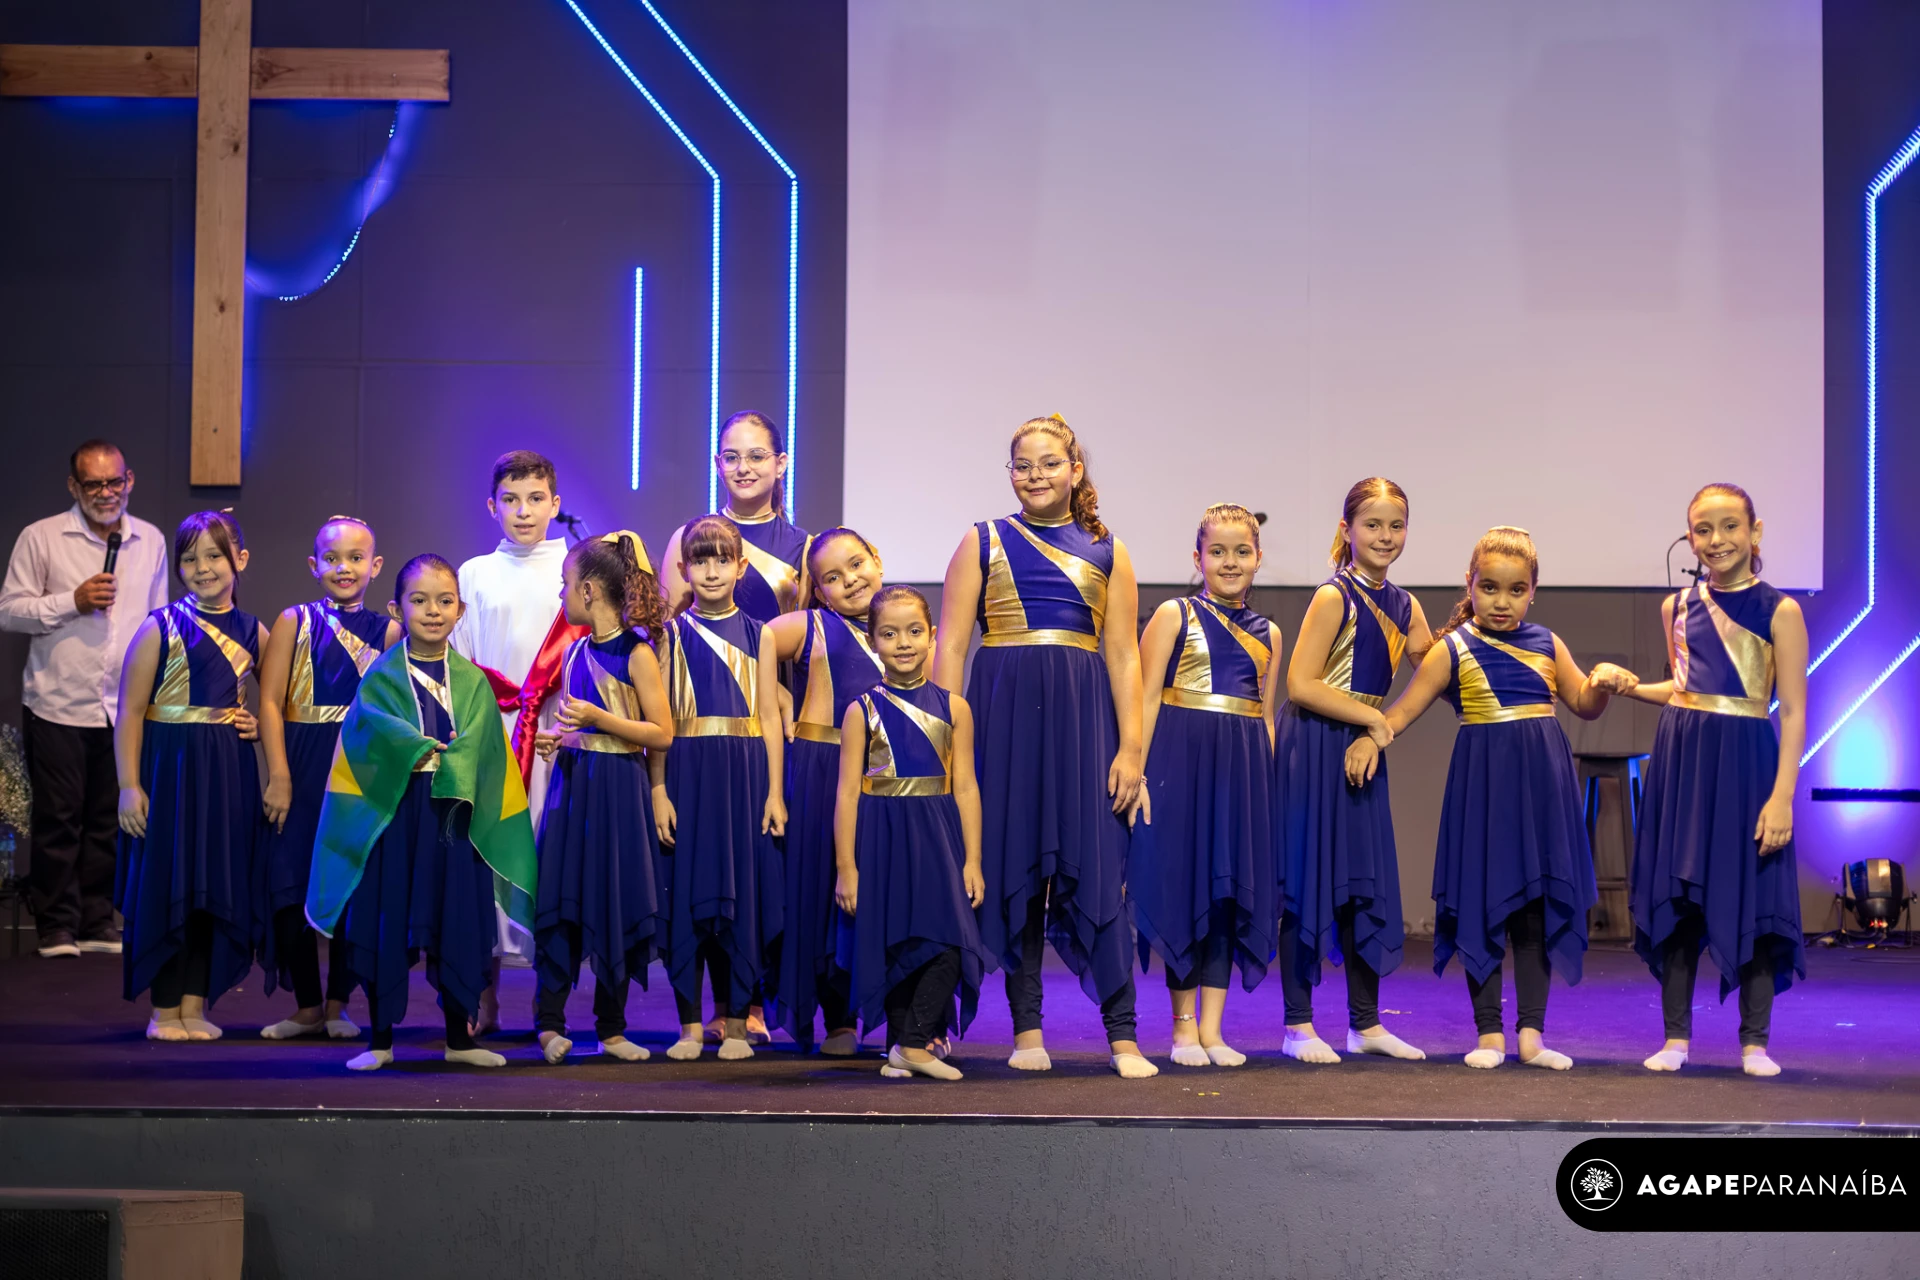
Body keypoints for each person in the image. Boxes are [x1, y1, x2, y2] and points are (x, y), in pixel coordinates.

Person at [1352, 527, 1634, 1070]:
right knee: (1483, 902)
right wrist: (1370, 737)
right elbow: (1402, 712)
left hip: (1542, 791)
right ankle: (1488, 1034)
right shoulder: (1452, 648)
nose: (1502, 601)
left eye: (1516, 590)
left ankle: (1531, 1035)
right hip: (1484, 792)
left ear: (1533, 592)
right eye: (1489, 588)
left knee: (1534, 908)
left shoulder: (1548, 643)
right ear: (1470, 584)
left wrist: (1601, 683)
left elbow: (1584, 703)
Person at [932, 414, 1156, 1079]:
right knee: (1015, 873)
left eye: (1049, 463)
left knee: (1099, 871)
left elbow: (1124, 657)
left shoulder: (1110, 550)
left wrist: (1132, 751)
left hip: (1085, 726)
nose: (1035, 476)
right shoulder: (981, 541)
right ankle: (1026, 1029)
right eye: (1023, 466)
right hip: (1002, 721)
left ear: (1075, 470)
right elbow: (950, 646)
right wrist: (940, 740)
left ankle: (1122, 1036)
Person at [305, 555, 539, 1071]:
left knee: (458, 917)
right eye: (419, 600)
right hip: (397, 814)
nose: (433, 611)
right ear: (397, 609)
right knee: (388, 917)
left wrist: (456, 754)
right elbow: (369, 730)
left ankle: (460, 1039)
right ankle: (380, 1041)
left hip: (455, 817)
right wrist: (415, 746)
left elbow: (485, 742)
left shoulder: (472, 680)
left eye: (445, 601)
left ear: (460, 611)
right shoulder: (381, 676)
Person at [1621, 484, 1808, 1078]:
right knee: (1679, 896)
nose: (1717, 539)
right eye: (1703, 529)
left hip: (1747, 764)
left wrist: (1782, 798)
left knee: (1751, 893)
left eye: (1730, 526)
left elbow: (1794, 710)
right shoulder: (1675, 607)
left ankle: (1755, 1042)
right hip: (1683, 764)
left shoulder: (1781, 610)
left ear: (1755, 532)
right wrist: (1630, 686)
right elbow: (1686, 688)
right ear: (1690, 537)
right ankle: (1676, 1038)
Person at [659, 411, 808, 1044]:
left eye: (756, 455)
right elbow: (666, 633)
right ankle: (710, 1010)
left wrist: (782, 697)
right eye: (731, 456)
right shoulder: (688, 537)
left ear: (781, 462)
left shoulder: (804, 547)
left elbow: (808, 640)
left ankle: (753, 1003)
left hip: (768, 732)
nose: (743, 467)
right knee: (704, 869)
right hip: (696, 733)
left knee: (759, 866)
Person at [1274, 477, 1433, 1065]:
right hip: (1316, 742)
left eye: (1396, 525)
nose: (1385, 536)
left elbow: (1437, 670)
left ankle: (1365, 1024)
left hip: (1362, 745)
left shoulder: (1407, 606)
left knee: (1363, 882)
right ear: (1347, 530)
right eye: (1373, 524)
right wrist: (1375, 721)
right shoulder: (1332, 596)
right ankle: (1297, 1026)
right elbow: (1300, 684)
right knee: (1308, 877)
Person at [1, 440, 169, 959]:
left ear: (130, 481)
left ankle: (98, 920)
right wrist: (70, 601)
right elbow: (9, 611)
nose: (105, 492)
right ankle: (56, 925)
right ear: (74, 486)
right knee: (58, 819)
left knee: (109, 819)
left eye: (114, 481)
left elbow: (158, 619)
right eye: (93, 483)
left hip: (124, 708)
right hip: (58, 702)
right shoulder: (42, 537)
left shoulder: (151, 540)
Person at [1128, 504, 1281, 1068]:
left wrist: (1264, 789)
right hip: (1182, 767)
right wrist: (1138, 771)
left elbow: (1265, 715)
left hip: (1241, 778)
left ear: (1259, 558)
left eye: (1242, 552)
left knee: (1226, 897)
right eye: (1217, 551)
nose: (1230, 562)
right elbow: (1145, 698)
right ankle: (1184, 1030)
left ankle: (1214, 1031)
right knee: (1185, 890)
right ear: (1198, 558)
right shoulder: (1176, 614)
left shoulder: (1270, 634)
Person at [112, 511, 261, 1041]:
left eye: (215, 555)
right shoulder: (159, 627)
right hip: (170, 776)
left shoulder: (255, 631)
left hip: (227, 778)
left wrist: (256, 723)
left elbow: (277, 704)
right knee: (169, 881)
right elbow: (130, 712)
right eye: (190, 558)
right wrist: (129, 785)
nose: (203, 567)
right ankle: (164, 1010)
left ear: (240, 560)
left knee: (212, 884)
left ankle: (196, 1006)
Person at [834, 587, 990, 1081]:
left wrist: (972, 860)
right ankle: (904, 1046)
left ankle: (914, 1042)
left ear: (932, 636)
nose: (903, 642)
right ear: (872, 641)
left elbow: (966, 788)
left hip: (938, 839)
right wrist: (846, 868)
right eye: (889, 633)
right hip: (882, 840)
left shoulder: (954, 708)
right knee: (894, 942)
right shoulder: (860, 711)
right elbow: (847, 795)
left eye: (914, 631)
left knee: (952, 940)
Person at [450, 450, 584, 1026]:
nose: (524, 511)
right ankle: (483, 997)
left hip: (556, 733)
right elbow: (460, 658)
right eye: (511, 500)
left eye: (535, 499)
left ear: (555, 504)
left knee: (550, 860)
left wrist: (573, 723)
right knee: (486, 857)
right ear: (492, 506)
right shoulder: (474, 573)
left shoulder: (576, 567)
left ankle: (547, 1005)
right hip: (494, 732)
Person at [529, 532, 673, 1065]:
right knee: (562, 897)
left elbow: (661, 732)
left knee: (613, 898)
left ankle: (610, 1028)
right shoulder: (574, 651)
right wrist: (560, 737)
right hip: (574, 787)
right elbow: (580, 724)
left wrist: (599, 719)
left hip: (618, 791)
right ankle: (549, 1024)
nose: (561, 594)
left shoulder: (637, 653)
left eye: (565, 584)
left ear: (588, 590)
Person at [256, 517, 399, 1040]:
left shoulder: (390, 632)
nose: (344, 568)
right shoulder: (294, 622)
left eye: (356, 558)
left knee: (352, 885)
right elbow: (269, 702)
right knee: (291, 881)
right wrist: (279, 774)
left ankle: (338, 1004)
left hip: (357, 773)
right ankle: (306, 1005)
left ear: (375, 566)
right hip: (301, 764)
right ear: (313, 565)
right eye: (332, 558)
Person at [651, 515, 786, 1061]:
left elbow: (771, 717)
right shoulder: (669, 634)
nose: (711, 571)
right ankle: (688, 1026)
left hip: (745, 776)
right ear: (684, 569)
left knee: (742, 897)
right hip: (687, 770)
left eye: (722, 560)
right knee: (687, 893)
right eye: (700, 561)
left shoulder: (761, 634)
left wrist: (775, 791)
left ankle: (735, 1024)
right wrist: (659, 789)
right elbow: (659, 721)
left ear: (741, 566)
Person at [761, 528, 885, 1053]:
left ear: (877, 560)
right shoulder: (808, 625)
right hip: (821, 771)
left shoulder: (903, 623)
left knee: (882, 890)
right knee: (826, 892)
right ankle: (839, 1019)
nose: (850, 580)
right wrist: (776, 694)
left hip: (886, 774)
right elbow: (750, 638)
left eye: (856, 564)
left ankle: (906, 1018)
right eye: (832, 577)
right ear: (820, 590)